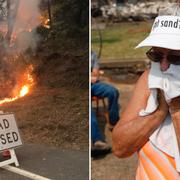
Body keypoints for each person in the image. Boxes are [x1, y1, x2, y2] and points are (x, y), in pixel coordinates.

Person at [112, 4, 180, 179]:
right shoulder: (150, 78)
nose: (164, 66)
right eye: (156, 55)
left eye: (175, 57)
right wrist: (159, 113)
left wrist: (176, 112)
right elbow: (120, 147)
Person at [91, 51, 120, 157]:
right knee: (89, 112)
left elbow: (95, 74)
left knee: (113, 91)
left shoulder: (92, 54)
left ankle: (114, 122)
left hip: (93, 85)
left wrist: (93, 76)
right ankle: (97, 140)